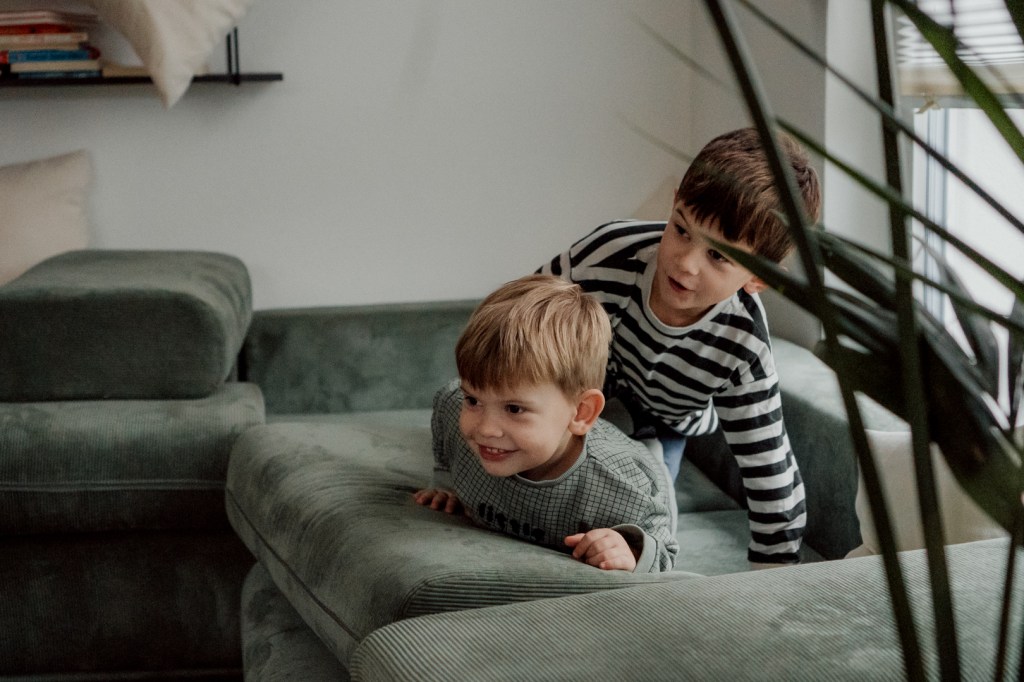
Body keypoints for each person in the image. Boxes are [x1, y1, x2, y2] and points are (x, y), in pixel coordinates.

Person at [538, 127, 821, 567]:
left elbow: (771, 474)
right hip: (591, 387)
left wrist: (772, 579)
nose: (685, 262)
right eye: (682, 230)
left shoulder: (743, 347)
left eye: (719, 257)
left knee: (648, 513)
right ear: (673, 205)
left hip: (671, 420)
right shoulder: (608, 253)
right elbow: (518, 322)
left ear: (758, 278)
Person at [414, 274, 678, 573]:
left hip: (636, 463)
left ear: (581, 413)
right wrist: (445, 481)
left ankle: (647, 438)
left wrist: (630, 550)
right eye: (474, 400)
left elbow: (666, 553)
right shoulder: (453, 407)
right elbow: (447, 401)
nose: (485, 428)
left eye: (514, 408)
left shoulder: (627, 486)